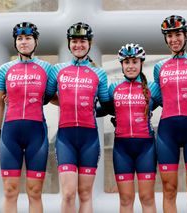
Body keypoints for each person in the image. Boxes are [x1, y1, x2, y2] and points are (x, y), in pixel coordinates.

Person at [46, 22, 111, 213]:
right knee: (68, 194)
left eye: (82, 41)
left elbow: (106, 105)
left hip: (89, 138)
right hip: (65, 138)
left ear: (89, 43)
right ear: (69, 44)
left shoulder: (98, 73)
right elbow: (47, 96)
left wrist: (90, 109)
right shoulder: (58, 69)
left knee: (85, 194)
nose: (78, 45)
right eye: (74, 41)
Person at [0, 22, 52, 213]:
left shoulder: (47, 68)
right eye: (19, 38)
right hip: (10, 135)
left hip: (37, 135)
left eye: (28, 38)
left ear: (36, 41)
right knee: (10, 191)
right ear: (15, 42)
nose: (23, 42)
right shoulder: (4, 69)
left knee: (35, 192)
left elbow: (53, 97)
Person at [153, 15, 187, 213]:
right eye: (169, 35)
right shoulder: (159, 67)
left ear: (186, 35)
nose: (174, 39)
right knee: (169, 189)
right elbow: (157, 98)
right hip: (167, 132)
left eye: (177, 34)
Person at [107, 43, 162, 213]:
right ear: (121, 65)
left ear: (141, 63)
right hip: (121, 149)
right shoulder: (113, 88)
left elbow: (171, 105)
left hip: (146, 148)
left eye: (134, 62)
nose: (130, 66)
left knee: (147, 198)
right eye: (127, 62)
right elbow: (103, 109)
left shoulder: (152, 88)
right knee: (125, 199)